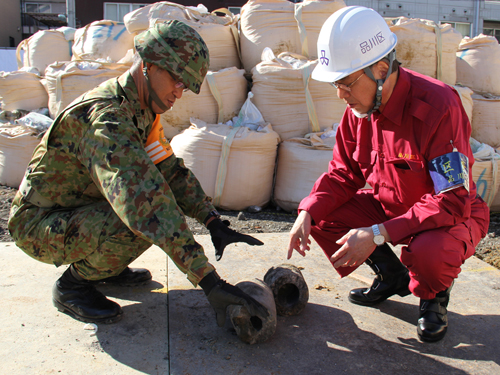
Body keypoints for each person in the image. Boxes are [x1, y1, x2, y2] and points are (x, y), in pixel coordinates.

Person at [8, 20, 268, 327]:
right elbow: (145, 204)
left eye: (185, 85)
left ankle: (104, 267)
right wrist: (208, 280)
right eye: (176, 80)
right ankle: (72, 286)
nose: (178, 94)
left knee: (156, 209)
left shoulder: (141, 109)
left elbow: (170, 172)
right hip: (38, 224)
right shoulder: (108, 121)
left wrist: (212, 220)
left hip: (74, 209)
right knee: (143, 220)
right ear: (149, 65)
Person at [287, 6, 489, 342]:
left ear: (382, 69)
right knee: (322, 215)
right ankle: (390, 275)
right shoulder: (359, 111)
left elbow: (452, 202)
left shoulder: (438, 106)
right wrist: (307, 211)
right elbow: (342, 174)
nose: (340, 94)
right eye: (337, 83)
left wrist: (378, 233)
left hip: (448, 216)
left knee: (429, 254)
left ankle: (433, 296)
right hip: (391, 206)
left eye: (346, 82)